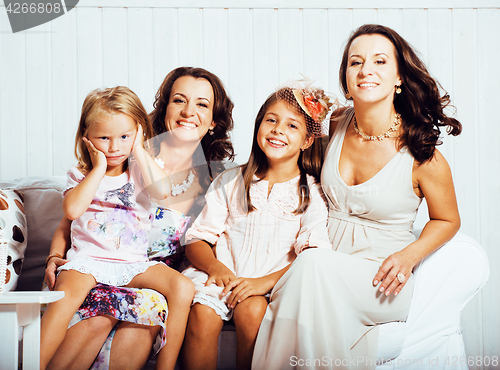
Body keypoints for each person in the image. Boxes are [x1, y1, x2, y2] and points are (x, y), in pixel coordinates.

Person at [252, 24, 462, 370]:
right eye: (355, 62)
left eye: (380, 61)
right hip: (321, 262)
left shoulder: (424, 155)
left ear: (398, 77)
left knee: (310, 267)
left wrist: (410, 256)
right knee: (310, 271)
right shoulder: (333, 124)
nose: (366, 70)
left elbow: (448, 219)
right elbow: (283, 136)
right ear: (346, 79)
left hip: (378, 278)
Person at [44, 67, 235, 370]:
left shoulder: (218, 181)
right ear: (164, 109)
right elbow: (72, 219)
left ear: (214, 121)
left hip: (147, 279)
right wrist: (55, 256)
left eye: (202, 104)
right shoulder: (122, 152)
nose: (188, 111)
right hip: (94, 263)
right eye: (179, 100)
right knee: (98, 317)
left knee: (148, 312)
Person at [180, 80, 334, 370]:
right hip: (223, 280)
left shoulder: (311, 192)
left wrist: (260, 284)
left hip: (271, 285)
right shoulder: (231, 181)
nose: (278, 130)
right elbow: (197, 239)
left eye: (292, 126)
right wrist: (216, 268)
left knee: (253, 311)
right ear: (258, 125)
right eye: (271, 120)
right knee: (202, 313)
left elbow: (312, 257)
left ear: (307, 141)